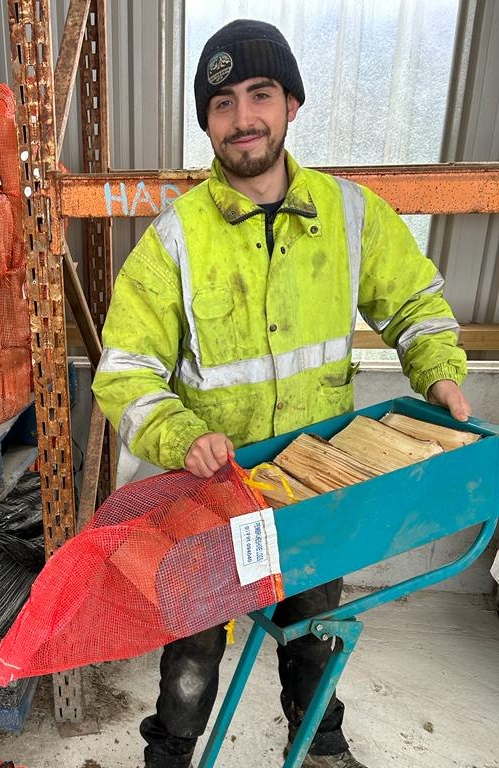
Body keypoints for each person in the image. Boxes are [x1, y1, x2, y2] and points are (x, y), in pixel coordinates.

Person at [91, 18, 471, 768]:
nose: (242, 119)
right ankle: (169, 756)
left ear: (291, 103)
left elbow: (416, 305)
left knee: (317, 627)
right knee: (193, 652)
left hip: (318, 482)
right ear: (207, 121)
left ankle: (321, 744)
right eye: (222, 103)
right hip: (212, 494)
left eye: (259, 95)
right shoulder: (174, 240)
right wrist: (176, 433)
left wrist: (440, 372)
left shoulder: (350, 215)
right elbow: (126, 370)